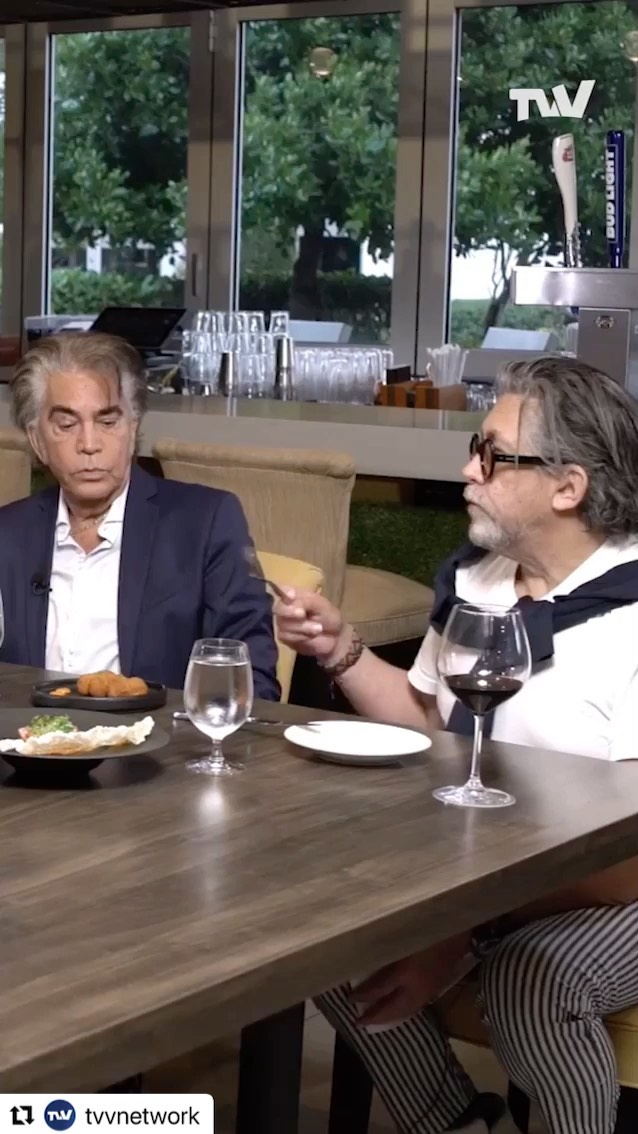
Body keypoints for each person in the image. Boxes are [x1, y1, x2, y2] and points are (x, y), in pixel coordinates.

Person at [275, 356, 638, 1134]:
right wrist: (339, 649)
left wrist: (458, 930)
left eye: (492, 455)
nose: (467, 470)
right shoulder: (482, 582)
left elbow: (625, 858)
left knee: (532, 980)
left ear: (568, 487)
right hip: (493, 873)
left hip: (616, 884)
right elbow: (432, 724)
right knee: (316, 934)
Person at [0, 331, 279, 699]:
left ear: (133, 428)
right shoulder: (8, 533)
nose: (89, 444)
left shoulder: (206, 523)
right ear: (37, 440)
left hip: (159, 733)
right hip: (29, 733)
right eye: (67, 425)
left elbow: (251, 682)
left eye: (108, 422)